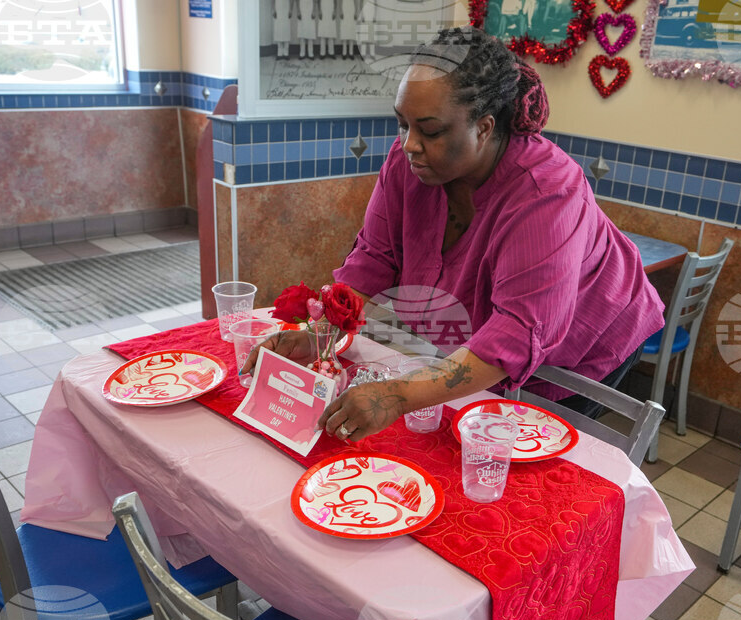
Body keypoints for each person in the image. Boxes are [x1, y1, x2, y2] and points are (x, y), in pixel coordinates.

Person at [248, 26, 664, 442]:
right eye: (402, 125)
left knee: (527, 458)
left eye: (429, 131)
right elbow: (375, 259)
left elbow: (517, 332)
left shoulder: (546, 191)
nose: (409, 144)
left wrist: (397, 396)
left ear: (484, 128)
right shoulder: (407, 164)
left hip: (587, 341)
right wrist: (321, 336)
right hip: (493, 346)